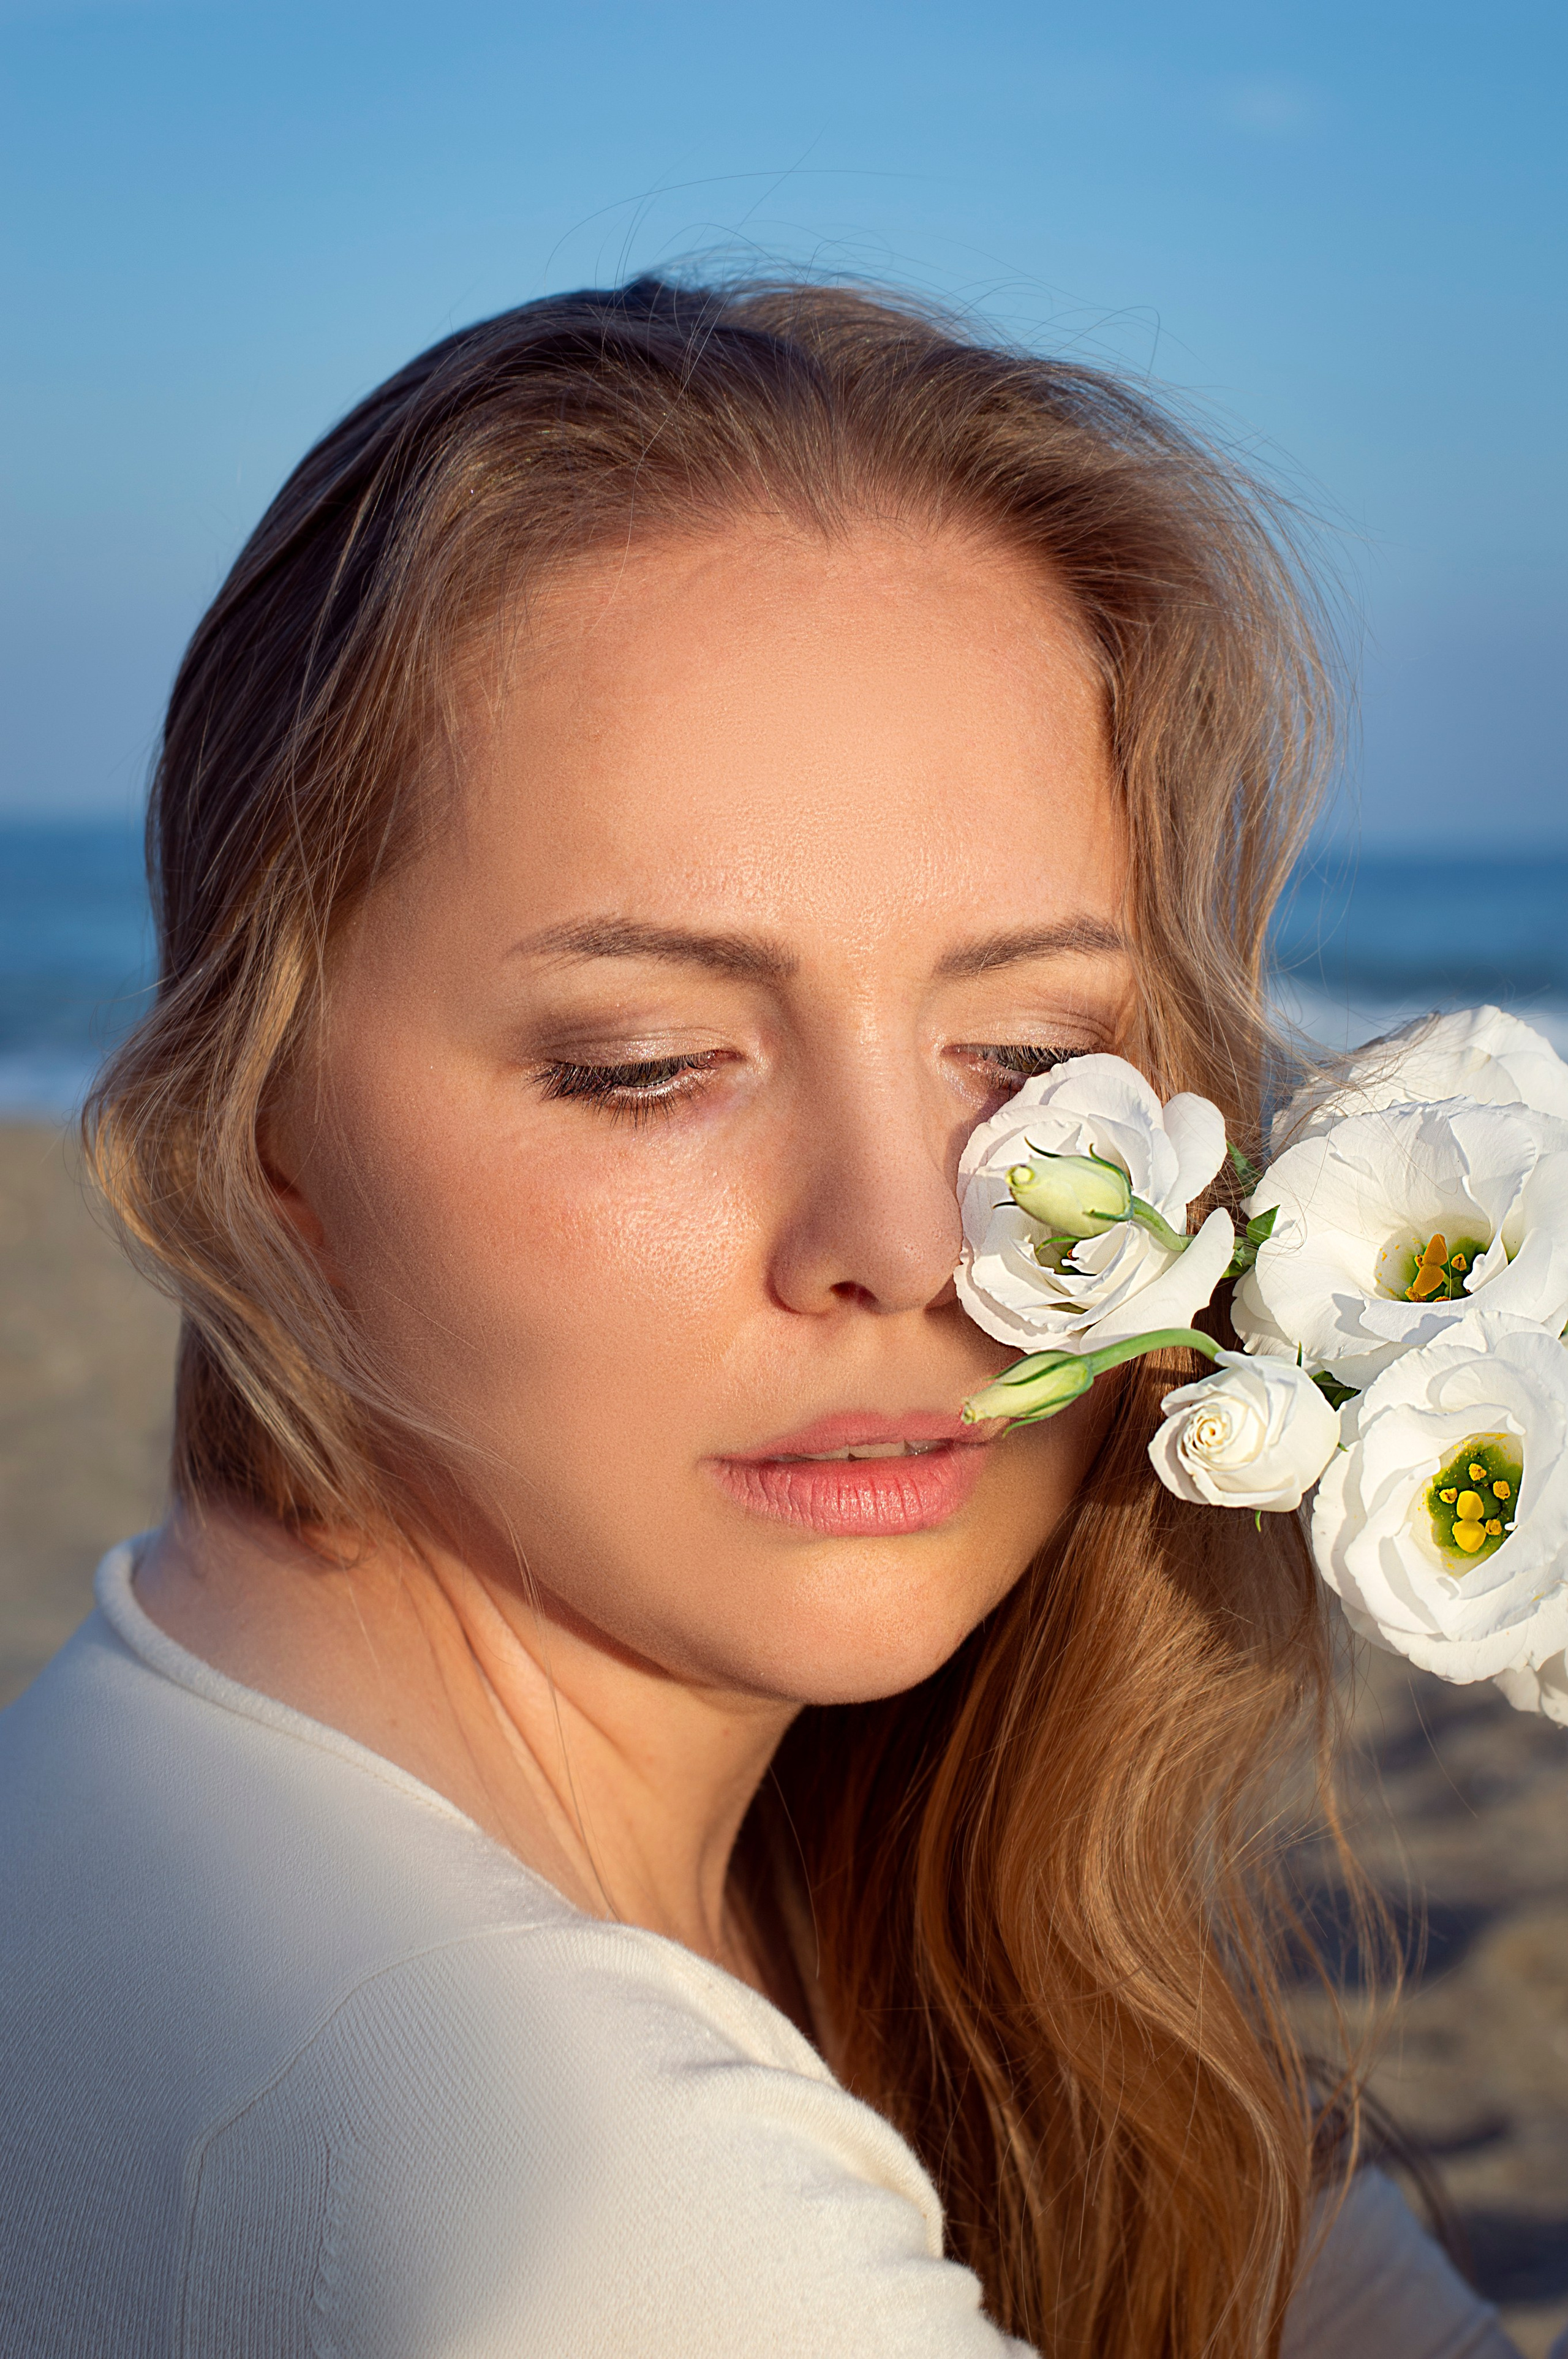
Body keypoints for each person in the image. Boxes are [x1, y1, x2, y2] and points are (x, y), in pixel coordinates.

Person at [0, 279, 1522, 2358]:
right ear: (258, 1135)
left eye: (1025, 1051)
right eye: (646, 1060)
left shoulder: (191, 1787)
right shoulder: (589, 2205)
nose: (901, 1234)